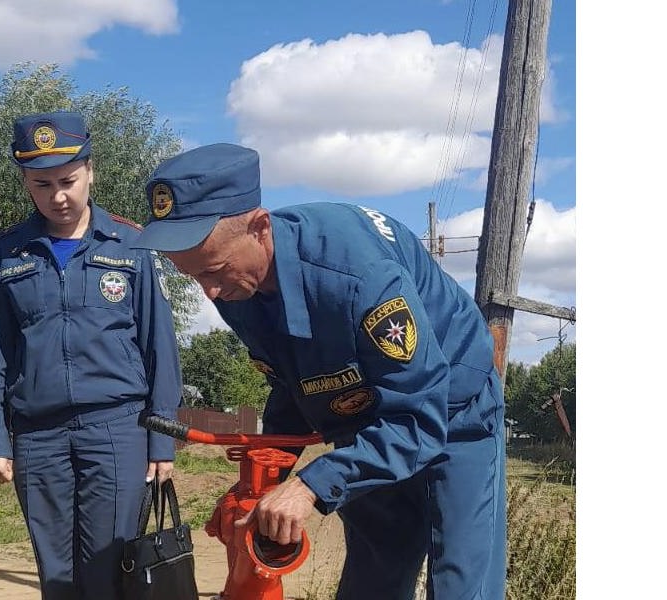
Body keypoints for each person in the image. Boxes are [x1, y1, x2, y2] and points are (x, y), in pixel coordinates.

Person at [131, 143, 506, 599]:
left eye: (215, 270)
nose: (210, 292)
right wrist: (263, 482)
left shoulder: (358, 277)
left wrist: (311, 485)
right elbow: (294, 386)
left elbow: (418, 419)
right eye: (195, 278)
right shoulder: (236, 287)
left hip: (453, 415)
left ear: (260, 228)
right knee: (373, 579)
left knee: (461, 584)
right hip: (364, 420)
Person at [0, 110, 183, 599]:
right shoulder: (9, 254)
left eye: (68, 180)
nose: (58, 196)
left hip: (116, 428)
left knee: (109, 567)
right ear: (26, 182)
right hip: (37, 434)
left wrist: (163, 438)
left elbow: (159, 345)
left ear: (91, 171)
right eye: (42, 184)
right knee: (57, 573)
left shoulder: (130, 246)